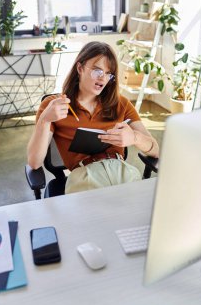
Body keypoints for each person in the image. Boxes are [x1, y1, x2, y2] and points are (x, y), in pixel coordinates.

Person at [27, 41, 159, 193]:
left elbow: (155, 150)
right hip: (84, 177)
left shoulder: (121, 104)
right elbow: (34, 163)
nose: (103, 79)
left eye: (109, 74)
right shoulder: (54, 105)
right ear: (80, 68)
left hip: (122, 173)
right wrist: (45, 120)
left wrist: (135, 138)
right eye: (97, 71)